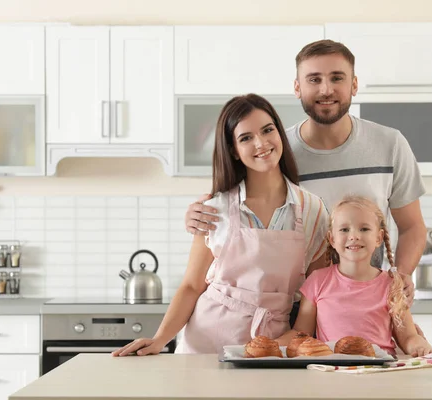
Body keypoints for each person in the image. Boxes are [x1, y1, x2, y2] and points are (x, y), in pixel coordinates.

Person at [185, 40, 427, 305]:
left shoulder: (390, 144)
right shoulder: (275, 151)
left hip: (369, 303)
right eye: (314, 79)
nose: (326, 89)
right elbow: (237, 204)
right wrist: (198, 215)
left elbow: (412, 227)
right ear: (297, 87)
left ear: (354, 84)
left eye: (337, 78)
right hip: (297, 308)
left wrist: (401, 275)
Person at [112, 94, 329, 356]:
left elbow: (316, 292)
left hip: (272, 342)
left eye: (267, 130)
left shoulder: (313, 210)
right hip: (207, 337)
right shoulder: (216, 209)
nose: (261, 143)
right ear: (233, 151)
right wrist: (159, 340)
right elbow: (192, 285)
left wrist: (291, 340)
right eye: (246, 138)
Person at [277, 196, 432, 357]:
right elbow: (300, 333)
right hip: (332, 372)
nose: (354, 236)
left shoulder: (392, 285)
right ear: (332, 238)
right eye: (344, 229)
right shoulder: (317, 281)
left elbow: (408, 337)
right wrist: (271, 345)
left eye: (364, 229)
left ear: (378, 238)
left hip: (380, 372)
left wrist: (420, 346)